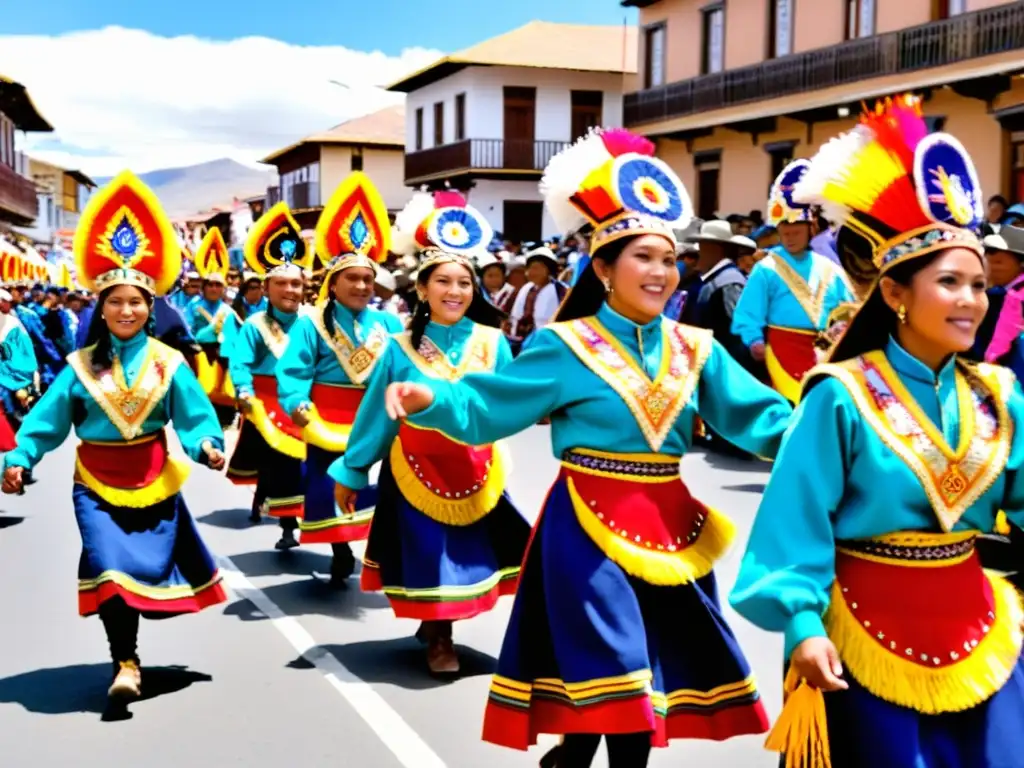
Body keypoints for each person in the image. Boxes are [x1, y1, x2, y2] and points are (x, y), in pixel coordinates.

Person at [382, 128, 793, 767]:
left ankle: (573, 755)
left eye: (669, 258)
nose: (660, 272)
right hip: (587, 527)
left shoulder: (697, 349)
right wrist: (430, 399)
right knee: (620, 671)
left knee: (647, 682)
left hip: (670, 527)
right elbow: (488, 403)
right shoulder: (564, 346)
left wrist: (826, 434)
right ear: (602, 268)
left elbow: (760, 417)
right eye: (643, 258)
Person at [729, 93, 1024, 768]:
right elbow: (793, 523)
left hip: (977, 621)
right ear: (894, 293)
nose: (971, 300)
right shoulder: (839, 397)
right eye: (949, 281)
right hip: (863, 626)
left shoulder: (999, 395)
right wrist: (802, 626)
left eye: (979, 285)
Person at [1, 171, 227, 706]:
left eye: (137, 302)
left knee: (142, 570)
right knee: (105, 564)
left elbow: (193, 418)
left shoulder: (169, 362)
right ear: (100, 308)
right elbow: (46, 423)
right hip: (96, 484)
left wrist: (207, 445)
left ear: (151, 308)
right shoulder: (78, 367)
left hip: (153, 476)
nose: (127, 310)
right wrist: (20, 456)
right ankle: (125, 660)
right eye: (116, 301)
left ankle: (134, 649)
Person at [331, 190, 528, 676]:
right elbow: (378, 416)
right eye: (443, 281)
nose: (455, 291)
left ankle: (442, 626)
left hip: (478, 468)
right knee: (432, 557)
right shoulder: (398, 348)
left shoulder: (493, 342)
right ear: (422, 289)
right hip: (416, 467)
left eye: (464, 282)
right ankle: (441, 639)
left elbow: (511, 404)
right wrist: (353, 470)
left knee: (472, 558)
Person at [276, 171, 403, 586]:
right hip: (326, 416)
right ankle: (341, 549)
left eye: (368, 279)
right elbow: (293, 370)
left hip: (375, 417)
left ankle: (374, 553)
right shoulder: (312, 323)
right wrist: (296, 401)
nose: (363, 285)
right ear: (333, 282)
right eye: (353, 278)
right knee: (331, 486)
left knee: (381, 490)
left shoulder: (388, 321)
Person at [732, 160, 856, 403]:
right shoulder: (766, 269)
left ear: (810, 229)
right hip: (782, 348)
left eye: (796, 233)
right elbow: (748, 312)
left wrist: (842, 330)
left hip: (826, 351)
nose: (790, 238)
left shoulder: (830, 268)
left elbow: (848, 309)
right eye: (785, 233)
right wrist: (754, 339)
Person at [227, 202, 312, 545]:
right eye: (282, 283)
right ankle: (288, 525)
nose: (290, 290)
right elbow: (239, 362)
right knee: (279, 460)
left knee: (308, 463)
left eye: (296, 283)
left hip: (305, 398)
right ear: (266, 288)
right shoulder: (254, 324)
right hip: (266, 400)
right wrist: (244, 390)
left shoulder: (311, 322)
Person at [186, 227, 240, 426]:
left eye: (218, 285)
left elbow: (235, 339)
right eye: (210, 285)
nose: (214, 289)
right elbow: (187, 333)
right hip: (200, 356)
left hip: (223, 360)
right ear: (204, 286)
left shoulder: (228, 310)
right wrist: (204, 334)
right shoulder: (193, 306)